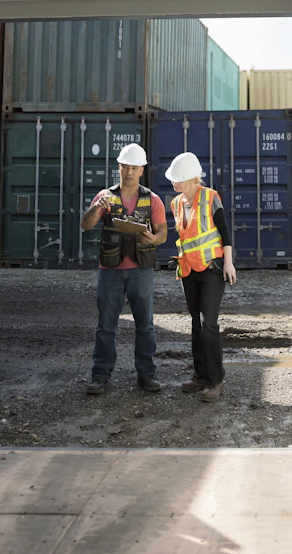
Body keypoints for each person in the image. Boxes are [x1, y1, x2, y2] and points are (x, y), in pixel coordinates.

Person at [80, 142, 167, 395]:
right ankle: (100, 375)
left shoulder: (153, 200)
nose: (129, 172)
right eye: (125, 167)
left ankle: (146, 373)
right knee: (106, 325)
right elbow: (86, 225)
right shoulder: (105, 196)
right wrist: (98, 207)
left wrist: (154, 238)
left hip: (141, 270)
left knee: (145, 325)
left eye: (134, 168)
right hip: (110, 271)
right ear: (119, 168)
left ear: (142, 170)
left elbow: (162, 232)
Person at [165, 151, 237, 401]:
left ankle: (216, 380)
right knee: (195, 323)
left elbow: (225, 235)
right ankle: (200, 375)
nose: (175, 184)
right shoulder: (175, 203)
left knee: (209, 324)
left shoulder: (210, 198)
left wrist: (229, 264)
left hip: (212, 268)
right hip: (189, 270)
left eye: (179, 180)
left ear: (193, 178)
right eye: (174, 180)